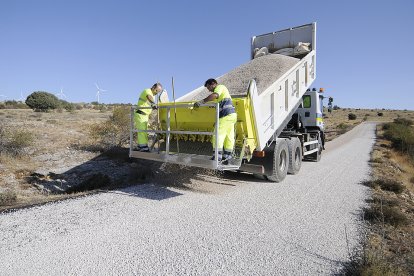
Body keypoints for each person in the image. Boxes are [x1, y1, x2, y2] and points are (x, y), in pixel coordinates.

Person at [194, 79, 237, 163]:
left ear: (213, 84)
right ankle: (227, 156)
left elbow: (214, 95)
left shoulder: (220, 87)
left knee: (218, 135)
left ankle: (217, 157)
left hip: (226, 115)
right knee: (229, 136)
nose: (208, 90)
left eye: (208, 87)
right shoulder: (222, 93)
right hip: (231, 115)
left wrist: (201, 102)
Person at [134, 83, 163, 152]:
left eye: (158, 92)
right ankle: (143, 147)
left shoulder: (153, 95)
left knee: (145, 131)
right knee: (142, 131)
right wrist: (153, 103)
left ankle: (141, 146)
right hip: (141, 114)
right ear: (153, 87)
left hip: (145, 115)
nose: (157, 93)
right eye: (156, 90)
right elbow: (148, 97)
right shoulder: (147, 91)